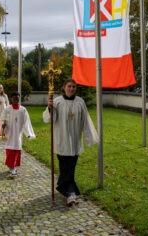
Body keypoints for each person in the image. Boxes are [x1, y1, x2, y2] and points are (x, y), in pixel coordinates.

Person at [42, 78, 98, 206]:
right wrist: (50, 108)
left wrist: (89, 137)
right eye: (69, 86)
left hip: (75, 140)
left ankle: (63, 186)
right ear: (64, 87)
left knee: (70, 168)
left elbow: (85, 120)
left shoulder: (80, 102)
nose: (71, 89)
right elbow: (48, 119)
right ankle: (71, 193)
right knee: (65, 167)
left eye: (73, 86)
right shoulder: (56, 102)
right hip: (61, 140)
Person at [1, 92, 36, 178]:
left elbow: (26, 123)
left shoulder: (23, 110)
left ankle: (13, 167)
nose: (16, 100)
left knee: (16, 150)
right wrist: (3, 126)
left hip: (18, 134)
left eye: (17, 98)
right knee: (10, 150)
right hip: (10, 133)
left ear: (19, 99)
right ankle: (11, 167)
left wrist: (28, 133)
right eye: (14, 98)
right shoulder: (7, 109)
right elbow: (2, 119)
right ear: (11, 99)